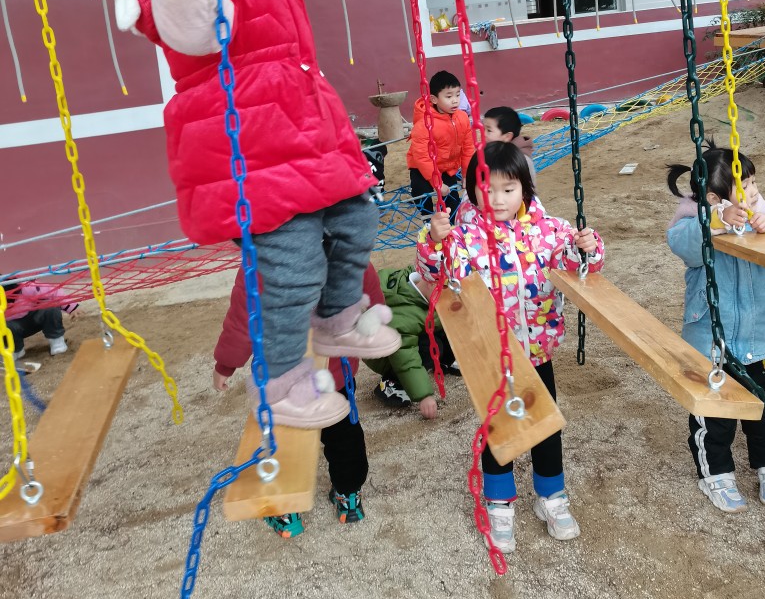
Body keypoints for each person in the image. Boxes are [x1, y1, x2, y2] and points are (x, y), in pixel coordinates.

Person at [107, 0, 399, 429]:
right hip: (254, 153)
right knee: (291, 268)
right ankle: (282, 383)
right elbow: (190, 28)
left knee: (358, 220)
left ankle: (338, 318)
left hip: (303, 144)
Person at [416, 142, 605, 552]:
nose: (497, 199)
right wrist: (433, 242)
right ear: (472, 190)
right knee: (499, 428)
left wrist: (587, 248)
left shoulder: (549, 231)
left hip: (537, 351)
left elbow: (578, 266)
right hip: (491, 353)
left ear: (524, 189)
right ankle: (499, 503)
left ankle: (551, 496)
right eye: (487, 189)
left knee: (545, 425)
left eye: (508, 189)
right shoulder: (464, 237)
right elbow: (436, 273)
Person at [666, 143, 765, 514]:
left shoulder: (763, 217)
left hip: (757, 341)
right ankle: (716, 473)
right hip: (710, 344)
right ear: (714, 198)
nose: (754, 192)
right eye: (745, 188)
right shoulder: (695, 223)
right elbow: (683, 245)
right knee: (715, 416)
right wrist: (716, 220)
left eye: (754, 183)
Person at [213, 263, 379, 532]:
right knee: (343, 435)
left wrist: (226, 364)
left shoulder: (260, 260)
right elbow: (369, 291)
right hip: (332, 372)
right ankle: (348, 495)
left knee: (283, 441)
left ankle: (286, 512)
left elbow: (243, 319)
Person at [365, 266, 457, 418]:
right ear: (431, 283)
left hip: (409, 333)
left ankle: (444, 362)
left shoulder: (423, 286)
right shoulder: (403, 316)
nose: (451, 296)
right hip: (385, 353)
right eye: (447, 290)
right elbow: (405, 356)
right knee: (431, 347)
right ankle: (391, 382)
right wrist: (424, 395)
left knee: (444, 322)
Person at [406, 70, 475, 219]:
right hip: (422, 168)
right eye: (449, 96)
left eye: (458, 95)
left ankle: (452, 223)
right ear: (434, 99)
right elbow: (422, 157)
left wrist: (466, 174)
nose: (455, 101)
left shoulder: (462, 118)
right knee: (422, 193)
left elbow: (468, 148)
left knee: (452, 200)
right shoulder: (425, 124)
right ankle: (427, 220)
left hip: (447, 167)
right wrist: (436, 183)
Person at [2, 280, 78, 359]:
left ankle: (57, 341)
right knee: (5, 327)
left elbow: (54, 293)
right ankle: (15, 350)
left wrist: (72, 308)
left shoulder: (28, 287)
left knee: (50, 307)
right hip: (12, 328)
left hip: (35, 318)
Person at [482, 106, 537, 184]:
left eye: (489, 130)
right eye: (483, 129)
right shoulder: (493, 151)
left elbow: (528, 189)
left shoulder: (519, 161)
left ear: (507, 137)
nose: (483, 134)